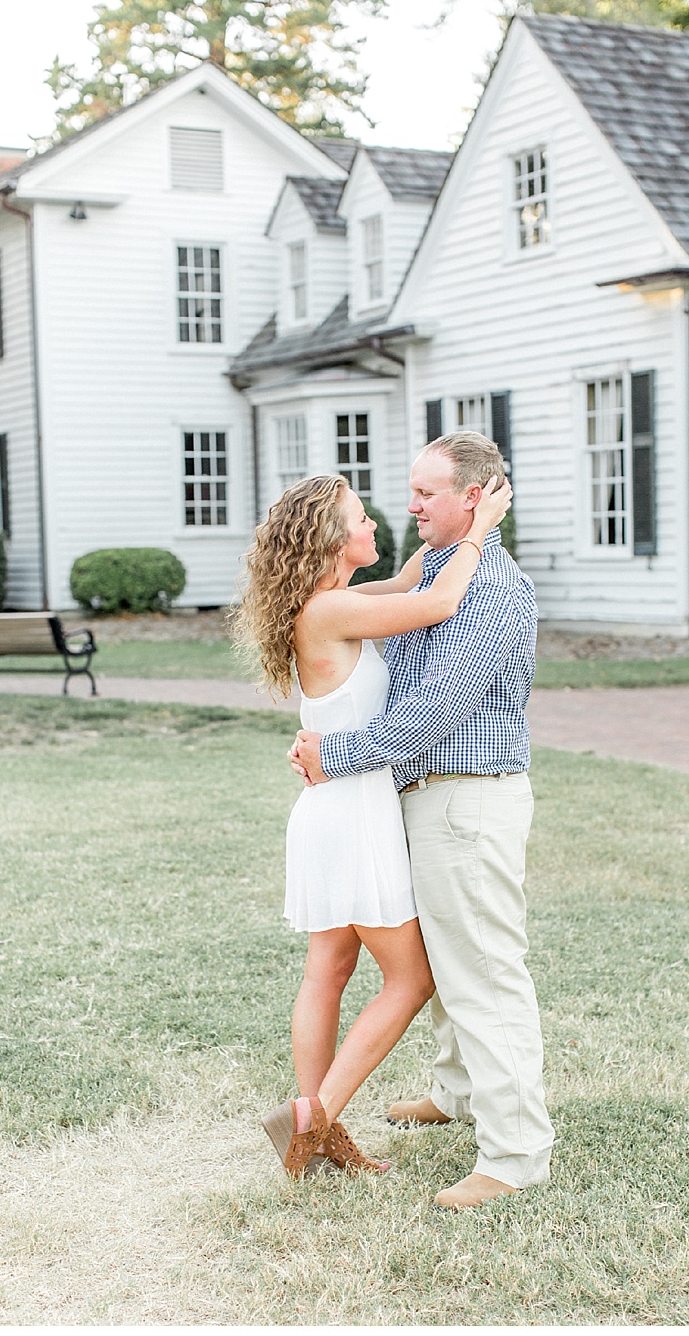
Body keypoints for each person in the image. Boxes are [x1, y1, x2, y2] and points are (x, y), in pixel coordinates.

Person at [289, 430, 550, 1211]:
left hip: (466, 796)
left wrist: (336, 754)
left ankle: (514, 1156)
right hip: (413, 795)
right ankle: (455, 1090)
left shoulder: (491, 588)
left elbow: (432, 712)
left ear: (473, 498)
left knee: (484, 974)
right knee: (442, 959)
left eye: (426, 493)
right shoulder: (437, 567)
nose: (410, 506)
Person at [230, 466, 511, 1180]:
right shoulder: (331, 610)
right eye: (360, 518)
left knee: (328, 968)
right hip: (352, 809)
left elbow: (417, 578)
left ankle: (315, 1128)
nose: (376, 523)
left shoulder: (336, 602)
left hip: (330, 806)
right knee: (411, 979)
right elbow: (440, 602)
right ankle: (314, 1120)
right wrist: (479, 530)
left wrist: (452, 532)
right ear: (333, 541)